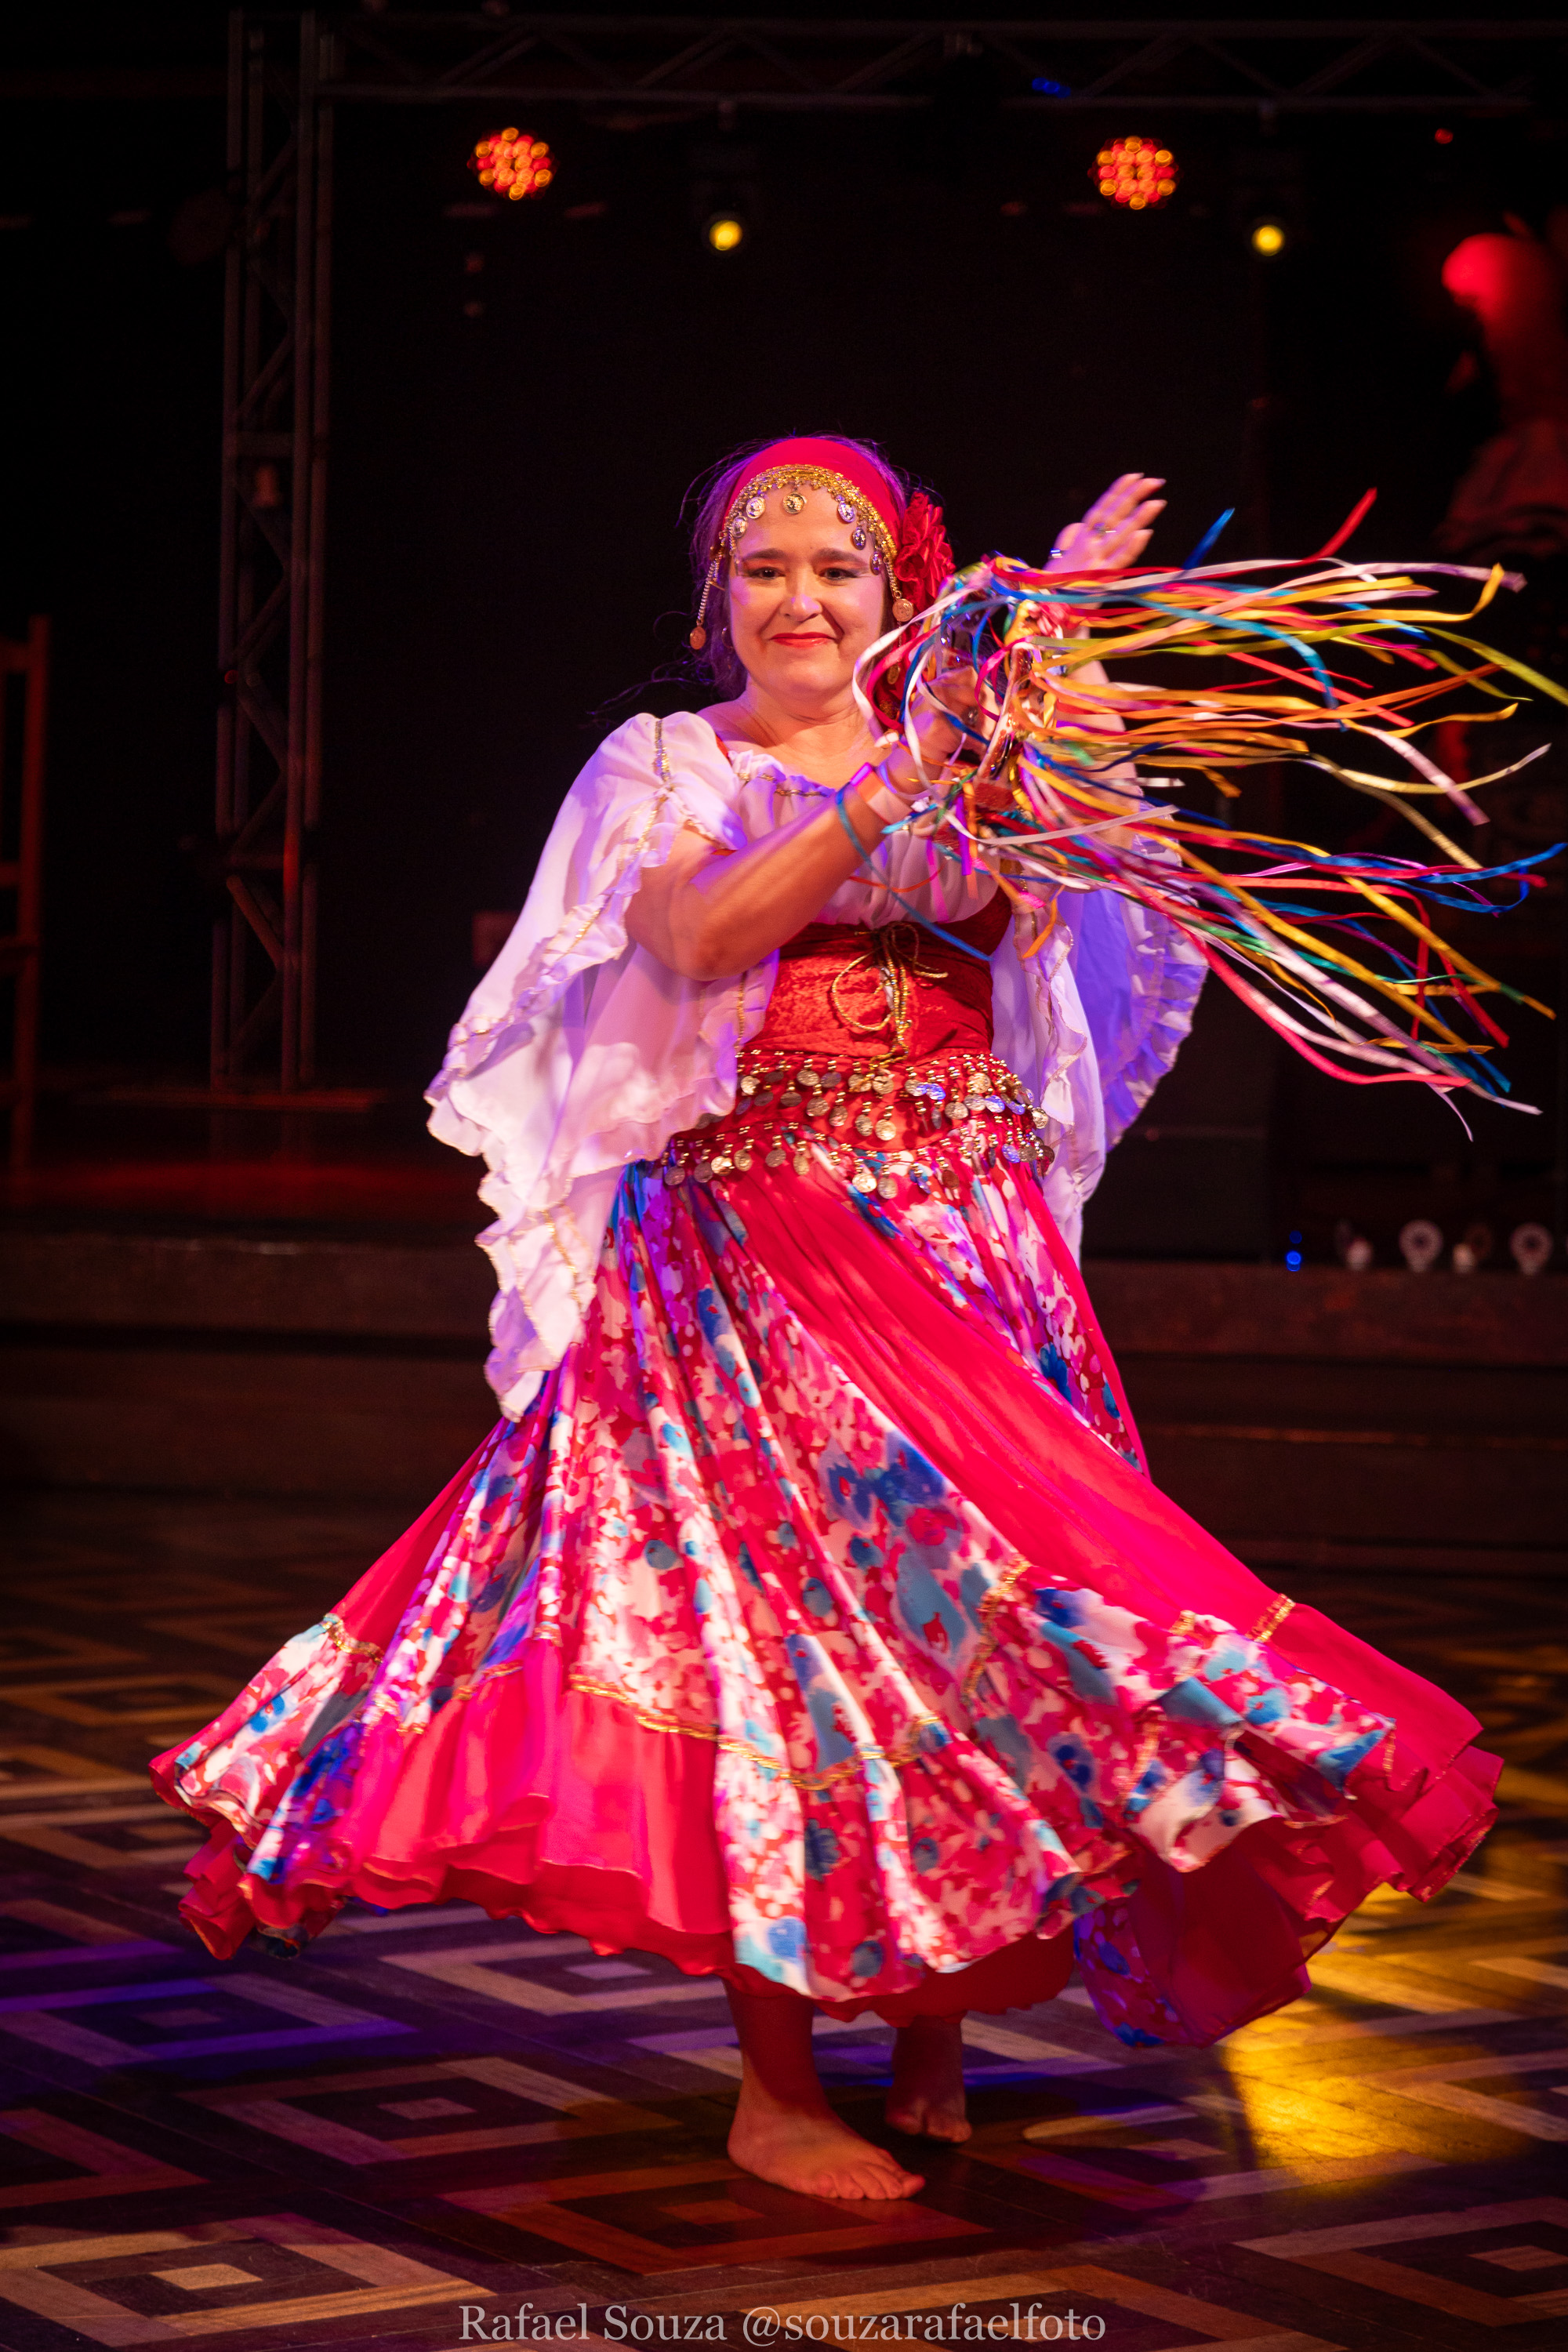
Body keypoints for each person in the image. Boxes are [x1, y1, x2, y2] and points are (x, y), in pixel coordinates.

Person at [154, 435, 1498, 2205]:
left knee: (993, 1648)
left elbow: (1072, 883)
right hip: (747, 1259)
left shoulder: (967, 754)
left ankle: (936, 2039)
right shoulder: (663, 765)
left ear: (897, 594)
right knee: (776, 1663)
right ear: (714, 602)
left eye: (841, 571)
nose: (802, 599)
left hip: (969, 1247)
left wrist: (1059, 652)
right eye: (765, 569)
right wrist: (878, 795)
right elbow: (705, 939)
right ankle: (776, 2086)